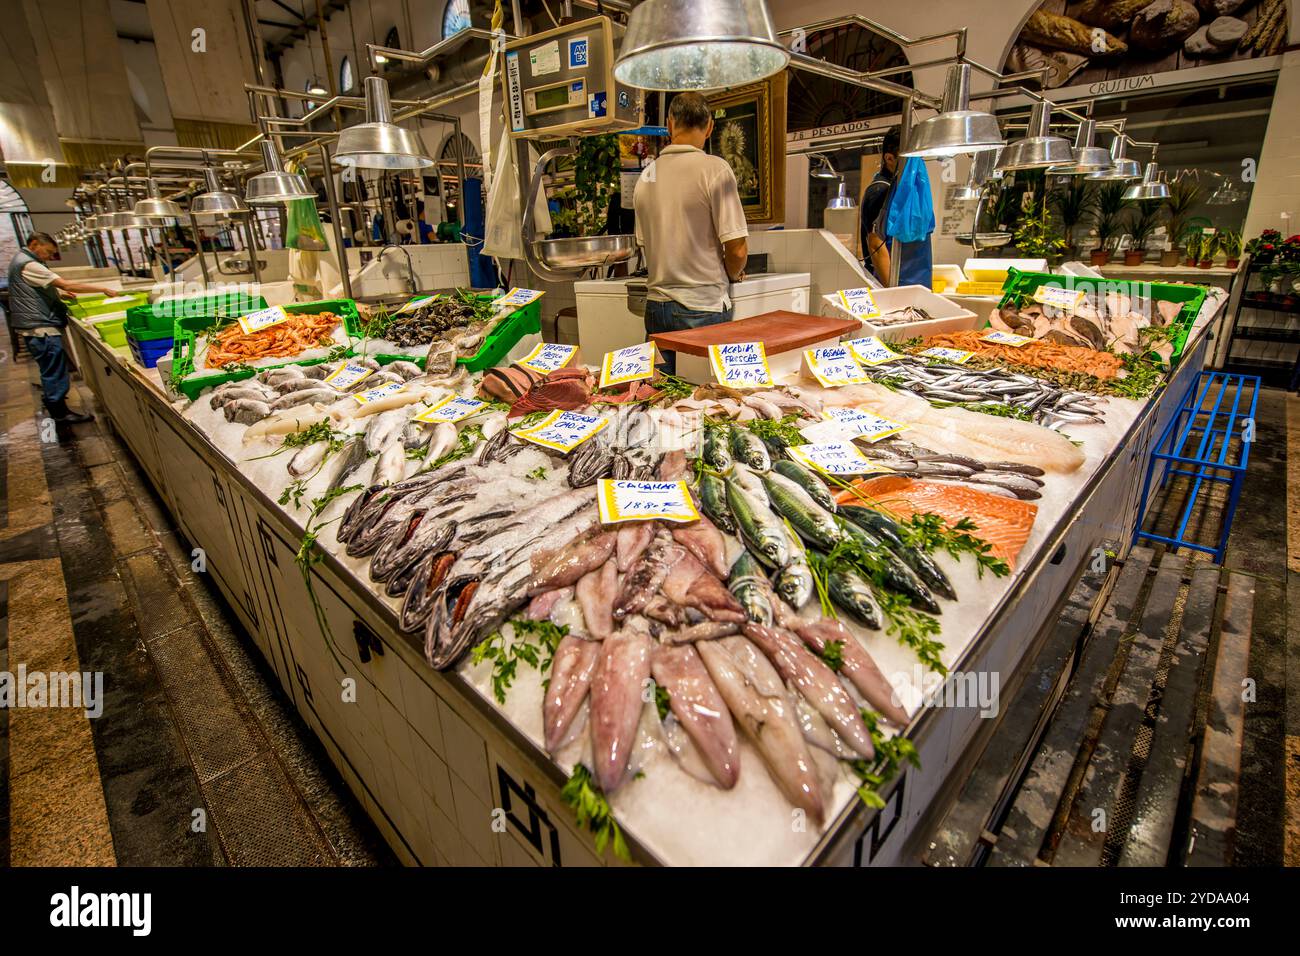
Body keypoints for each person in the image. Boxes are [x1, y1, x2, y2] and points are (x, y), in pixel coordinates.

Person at [634, 91, 748, 373]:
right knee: (707, 404)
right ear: (710, 128)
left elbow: (647, 245)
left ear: (669, 123)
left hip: (656, 308)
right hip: (702, 308)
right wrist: (732, 273)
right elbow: (737, 249)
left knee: (660, 401)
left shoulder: (647, 175)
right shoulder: (715, 170)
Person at [6, 232, 116, 423]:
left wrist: (56, 295)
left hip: (35, 325)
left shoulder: (20, 260)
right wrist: (103, 289)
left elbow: (35, 289)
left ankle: (55, 403)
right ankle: (59, 412)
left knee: (51, 368)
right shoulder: (30, 264)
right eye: (48, 252)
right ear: (34, 244)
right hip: (41, 327)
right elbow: (66, 284)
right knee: (54, 370)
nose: (49, 257)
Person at [859, 127, 933, 287]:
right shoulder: (880, 190)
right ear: (889, 158)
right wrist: (894, 295)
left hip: (915, 284)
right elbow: (876, 247)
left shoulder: (911, 191)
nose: (915, 165)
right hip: (890, 286)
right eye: (909, 159)